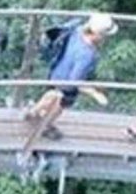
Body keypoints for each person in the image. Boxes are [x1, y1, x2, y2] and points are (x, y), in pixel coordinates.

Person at [25, 12, 117, 140]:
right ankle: (45, 125)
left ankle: (34, 112)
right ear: (98, 34)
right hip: (66, 84)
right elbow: (74, 82)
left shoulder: (77, 31)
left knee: (51, 93)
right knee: (60, 104)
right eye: (104, 35)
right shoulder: (87, 54)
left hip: (56, 71)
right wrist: (95, 93)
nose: (105, 38)